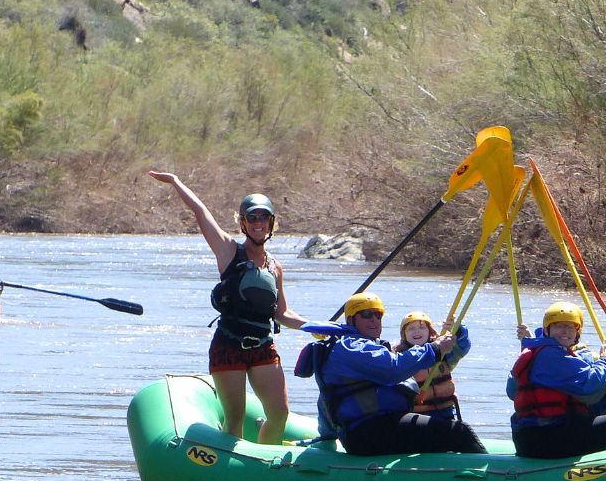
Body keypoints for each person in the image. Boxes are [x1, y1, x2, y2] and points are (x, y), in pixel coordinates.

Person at [149, 171, 307, 445]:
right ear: (243, 223)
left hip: (263, 347)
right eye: (252, 218)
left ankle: (264, 467)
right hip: (229, 345)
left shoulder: (275, 267)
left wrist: (318, 328)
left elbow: (282, 313)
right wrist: (176, 182)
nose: (258, 223)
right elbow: (201, 212)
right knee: (234, 419)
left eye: (263, 217)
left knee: (279, 414)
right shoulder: (228, 251)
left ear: (272, 223)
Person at [295, 292, 486, 456]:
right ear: (351, 319)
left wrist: (327, 435)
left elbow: (328, 400)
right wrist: (434, 349)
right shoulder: (351, 347)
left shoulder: (362, 347)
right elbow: (393, 370)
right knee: (461, 432)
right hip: (371, 432)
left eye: (378, 315)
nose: (374, 320)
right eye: (367, 314)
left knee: (439, 435)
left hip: (377, 429)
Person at [507, 301, 606, 459]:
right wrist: (605, 359)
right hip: (543, 439)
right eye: (559, 325)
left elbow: (581, 411)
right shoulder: (549, 356)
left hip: (546, 436)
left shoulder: (557, 356)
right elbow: (590, 384)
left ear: (577, 332)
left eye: (571, 326)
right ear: (547, 329)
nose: (565, 331)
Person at [394, 311, 468, 421]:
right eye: (411, 329)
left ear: (430, 332)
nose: (417, 331)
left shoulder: (444, 351)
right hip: (417, 417)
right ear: (404, 335)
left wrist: (457, 329)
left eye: (422, 327)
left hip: (446, 413)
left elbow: (463, 346)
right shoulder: (400, 358)